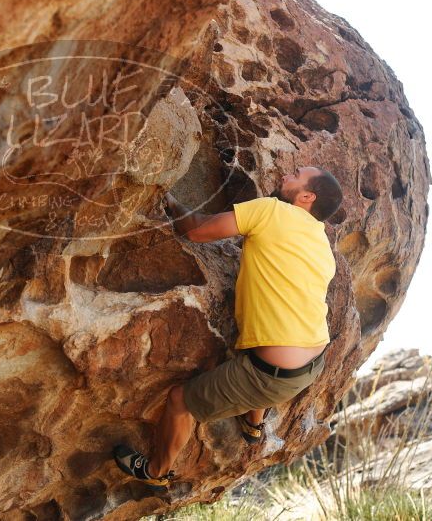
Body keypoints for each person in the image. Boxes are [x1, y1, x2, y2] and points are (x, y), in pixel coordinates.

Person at [113, 166, 343, 488]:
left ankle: (156, 471)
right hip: (312, 363)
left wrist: (169, 199)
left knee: (180, 401)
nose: (284, 175)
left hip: (268, 373)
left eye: (295, 175)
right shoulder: (322, 244)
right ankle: (253, 424)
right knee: (256, 338)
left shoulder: (272, 210)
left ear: (306, 196)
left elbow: (195, 230)